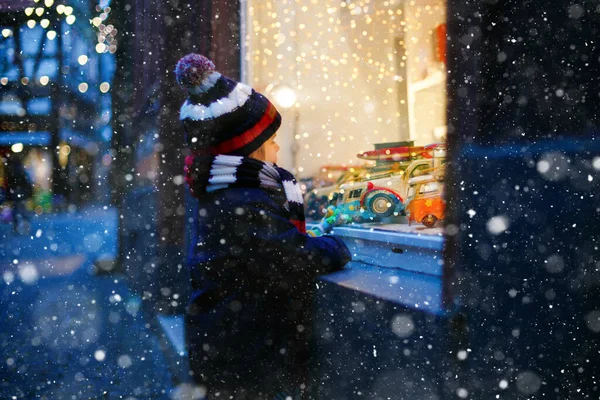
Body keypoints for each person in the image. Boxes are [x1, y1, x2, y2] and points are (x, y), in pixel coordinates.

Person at [176, 53, 352, 399]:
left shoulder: (224, 192)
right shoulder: (244, 200)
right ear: (249, 149)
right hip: (246, 353)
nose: (276, 147)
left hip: (230, 344)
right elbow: (291, 255)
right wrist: (335, 246)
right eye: (270, 141)